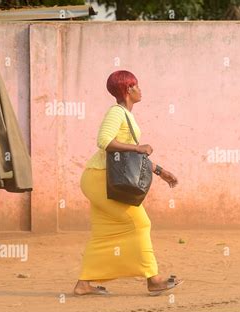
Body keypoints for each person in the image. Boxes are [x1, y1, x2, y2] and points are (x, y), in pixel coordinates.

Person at [74, 70, 183, 296]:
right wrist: (138, 147)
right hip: (99, 178)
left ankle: (83, 284)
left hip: (102, 179)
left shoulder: (126, 115)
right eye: (136, 86)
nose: (140, 90)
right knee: (140, 223)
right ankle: (153, 279)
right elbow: (104, 141)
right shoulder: (116, 112)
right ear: (128, 90)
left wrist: (161, 172)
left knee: (103, 233)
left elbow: (132, 158)